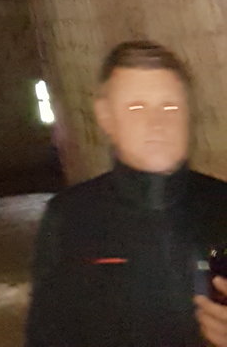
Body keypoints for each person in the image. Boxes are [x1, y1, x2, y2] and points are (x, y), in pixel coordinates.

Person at [26, 39, 227, 347]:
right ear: (106, 117)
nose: (156, 124)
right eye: (136, 108)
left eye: (170, 107)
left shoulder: (222, 204)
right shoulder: (70, 218)